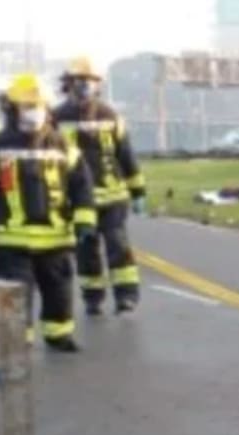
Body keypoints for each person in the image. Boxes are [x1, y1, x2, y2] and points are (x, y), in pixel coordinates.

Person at [0, 74, 96, 352]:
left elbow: (82, 187)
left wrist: (84, 221)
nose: (33, 112)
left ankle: (59, 334)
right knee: (16, 294)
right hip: (12, 242)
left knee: (59, 291)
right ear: (12, 108)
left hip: (56, 240)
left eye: (38, 105)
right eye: (26, 105)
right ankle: (18, 339)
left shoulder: (62, 146)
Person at [52, 57, 147, 315]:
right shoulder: (56, 118)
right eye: (79, 82)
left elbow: (125, 153)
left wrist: (137, 190)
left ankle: (126, 296)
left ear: (97, 85)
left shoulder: (110, 115)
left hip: (113, 196)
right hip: (77, 200)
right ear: (68, 85)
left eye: (90, 82)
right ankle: (93, 297)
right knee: (86, 250)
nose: (84, 87)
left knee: (118, 246)